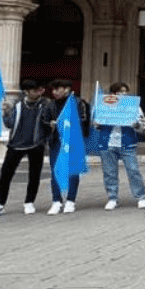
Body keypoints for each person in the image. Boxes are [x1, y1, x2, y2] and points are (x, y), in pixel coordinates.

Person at [0, 79, 49, 217]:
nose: (39, 92)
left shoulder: (45, 104)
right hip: (15, 144)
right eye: (35, 90)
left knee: (34, 175)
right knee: (5, 175)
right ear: (26, 91)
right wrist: (6, 112)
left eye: (40, 89)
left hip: (36, 144)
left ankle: (29, 202)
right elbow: (9, 124)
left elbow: (47, 122)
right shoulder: (16, 104)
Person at [94, 81, 145, 210]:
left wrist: (135, 124)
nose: (122, 94)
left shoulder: (132, 106)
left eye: (125, 92)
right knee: (109, 172)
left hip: (127, 142)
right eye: (119, 92)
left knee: (133, 170)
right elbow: (96, 126)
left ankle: (141, 196)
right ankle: (112, 198)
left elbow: (142, 125)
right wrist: (98, 122)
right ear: (113, 93)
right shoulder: (104, 105)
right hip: (107, 142)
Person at [41, 79, 90, 214]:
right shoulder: (50, 105)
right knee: (55, 171)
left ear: (67, 89)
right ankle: (56, 201)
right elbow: (44, 121)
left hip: (73, 141)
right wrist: (50, 124)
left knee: (73, 171)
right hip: (56, 142)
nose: (54, 92)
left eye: (58, 89)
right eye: (53, 89)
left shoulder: (78, 103)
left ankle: (70, 200)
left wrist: (68, 123)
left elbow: (85, 121)